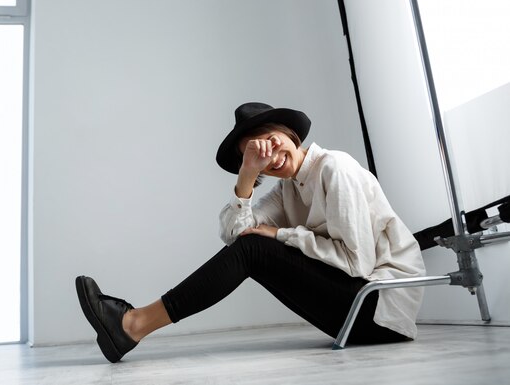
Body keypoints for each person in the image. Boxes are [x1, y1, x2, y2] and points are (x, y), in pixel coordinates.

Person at [75, 102, 426, 363]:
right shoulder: (287, 189)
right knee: (251, 245)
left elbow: (357, 262)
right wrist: (246, 177)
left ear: (290, 134)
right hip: (353, 311)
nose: (270, 157)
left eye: (270, 141)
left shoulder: (334, 168)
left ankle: (132, 324)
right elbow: (234, 234)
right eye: (257, 155)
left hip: (380, 309)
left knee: (257, 247)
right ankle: (130, 326)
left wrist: (281, 235)